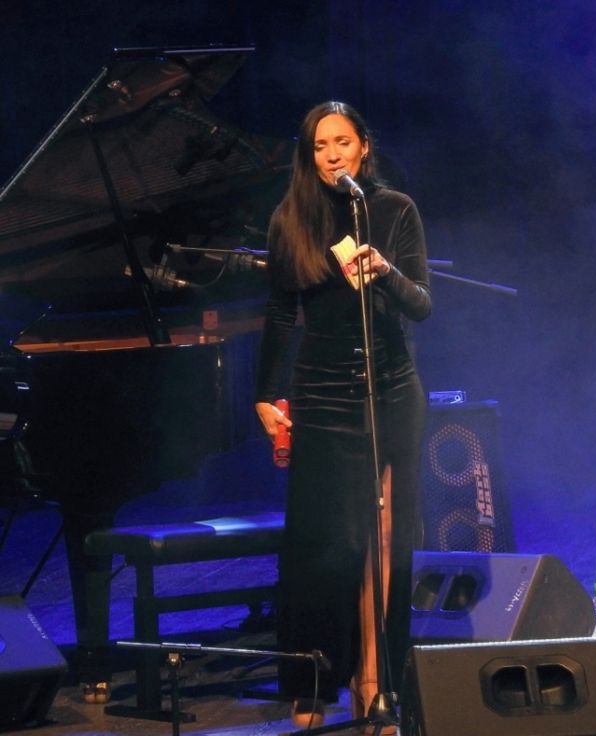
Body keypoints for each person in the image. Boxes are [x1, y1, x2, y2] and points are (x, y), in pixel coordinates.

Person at [255, 100, 431, 728]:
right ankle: (315, 679)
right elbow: (278, 316)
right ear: (310, 156)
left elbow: (422, 305)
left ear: (363, 148)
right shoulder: (291, 218)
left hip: (391, 390)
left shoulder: (392, 210)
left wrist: (383, 271)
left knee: (388, 543)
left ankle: (379, 681)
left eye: (343, 142)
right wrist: (265, 394)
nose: (332, 155)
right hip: (323, 396)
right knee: (327, 545)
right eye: (320, 146)